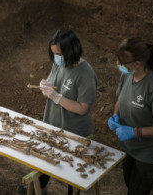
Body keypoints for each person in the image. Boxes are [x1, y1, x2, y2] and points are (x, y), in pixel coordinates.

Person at [18, 29, 97, 195]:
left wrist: (57, 97)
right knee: (47, 159)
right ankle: (41, 188)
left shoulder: (86, 73)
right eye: (54, 54)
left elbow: (83, 108)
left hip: (74, 131)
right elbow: (52, 83)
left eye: (59, 54)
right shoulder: (58, 63)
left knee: (72, 174)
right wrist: (44, 86)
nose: (56, 58)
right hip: (53, 124)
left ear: (71, 51)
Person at [107, 37, 153, 195]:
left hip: (148, 155)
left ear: (136, 64)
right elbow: (120, 98)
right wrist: (115, 115)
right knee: (129, 183)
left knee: (137, 191)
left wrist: (134, 132)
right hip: (129, 147)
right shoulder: (127, 75)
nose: (118, 65)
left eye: (121, 62)